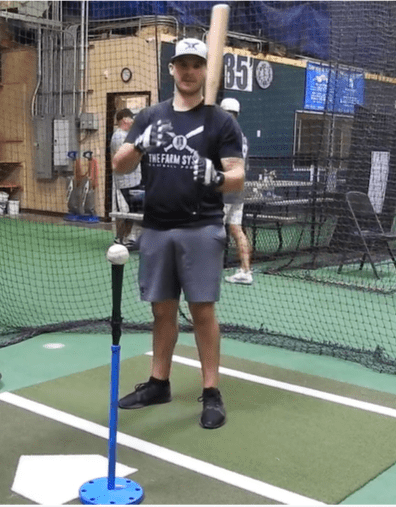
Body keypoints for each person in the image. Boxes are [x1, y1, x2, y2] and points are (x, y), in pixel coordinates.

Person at [111, 38, 245, 429]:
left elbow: (238, 177)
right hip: (156, 227)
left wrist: (216, 177)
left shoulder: (221, 121)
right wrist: (140, 144)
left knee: (203, 310)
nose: (189, 71)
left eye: (196, 65)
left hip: (201, 227)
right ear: (172, 69)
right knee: (161, 310)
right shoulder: (151, 115)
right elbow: (120, 165)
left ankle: (211, 391)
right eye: (182, 64)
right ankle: (159, 383)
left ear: (205, 71)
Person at [219, 98, 253, 285]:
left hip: (225, 188)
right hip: (239, 187)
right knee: (236, 228)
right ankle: (245, 271)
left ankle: (205, 270)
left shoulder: (224, 134)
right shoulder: (242, 136)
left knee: (212, 228)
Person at [110, 108, 143, 250]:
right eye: (131, 119)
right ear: (124, 120)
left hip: (134, 181)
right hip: (125, 182)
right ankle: (121, 238)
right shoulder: (119, 136)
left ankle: (129, 238)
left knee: (135, 210)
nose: (133, 122)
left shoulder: (127, 135)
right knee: (128, 211)